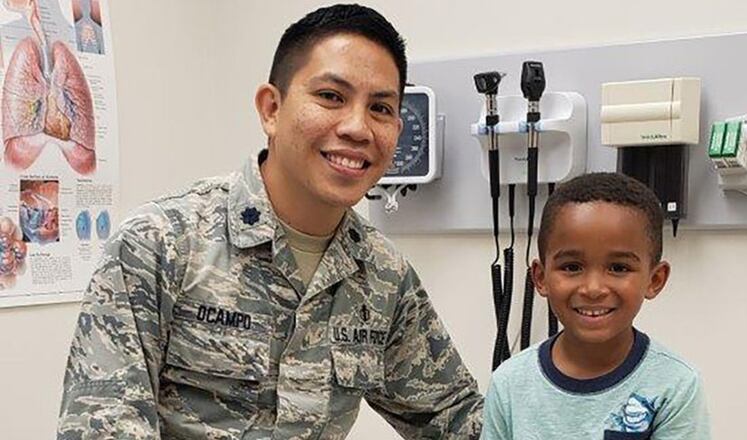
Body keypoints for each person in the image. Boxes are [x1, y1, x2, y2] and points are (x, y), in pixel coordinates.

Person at [57, 4, 483, 439]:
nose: (358, 127)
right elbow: (102, 425)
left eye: (380, 108)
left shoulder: (383, 277)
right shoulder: (162, 243)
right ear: (271, 109)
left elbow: (454, 419)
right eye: (331, 97)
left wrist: (550, 375)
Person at [483, 172, 710, 439]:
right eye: (571, 267)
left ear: (654, 279)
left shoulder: (675, 387)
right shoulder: (509, 383)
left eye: (618, 268)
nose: (593, 289)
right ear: (541, 278)